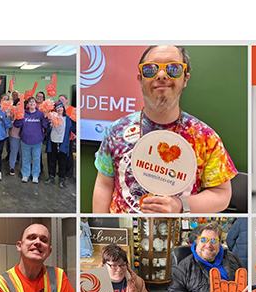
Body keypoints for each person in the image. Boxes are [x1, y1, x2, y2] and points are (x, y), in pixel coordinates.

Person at [93, 45, 237, 213]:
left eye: (173, 68)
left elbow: (222, 195)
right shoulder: (115, 131)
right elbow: (103, 185)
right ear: (140, 79)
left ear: (185, 79)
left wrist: (181, 205)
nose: (161, 75)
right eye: (150, 69)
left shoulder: (205, 137)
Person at [15, 97, 48, 183]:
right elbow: (17, 125)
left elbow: (45, 126)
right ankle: (25, 175)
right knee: (25, 158)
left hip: (37, 141)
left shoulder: (40, 114)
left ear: (36, 104)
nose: (32, 103)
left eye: (33, 102)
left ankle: (35, 175)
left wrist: (45, 118)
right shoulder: (23, 114)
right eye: (30, 102)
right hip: (25, 141)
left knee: (36, 159)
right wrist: (18, 118)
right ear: (27, 105)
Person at [44, 101, 74, 189]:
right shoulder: (52, 117)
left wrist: (75, 133)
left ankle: (61, 179)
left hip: (63, 143)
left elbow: (73, 128)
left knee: (62, 161)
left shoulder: (68, 118)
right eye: (57, 108)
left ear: (63, 108)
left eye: (61, 107)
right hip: (53, 141)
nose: (59, 109)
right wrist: (50, 125)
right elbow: (47, 130)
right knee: (51, 160)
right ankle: (51, 177)